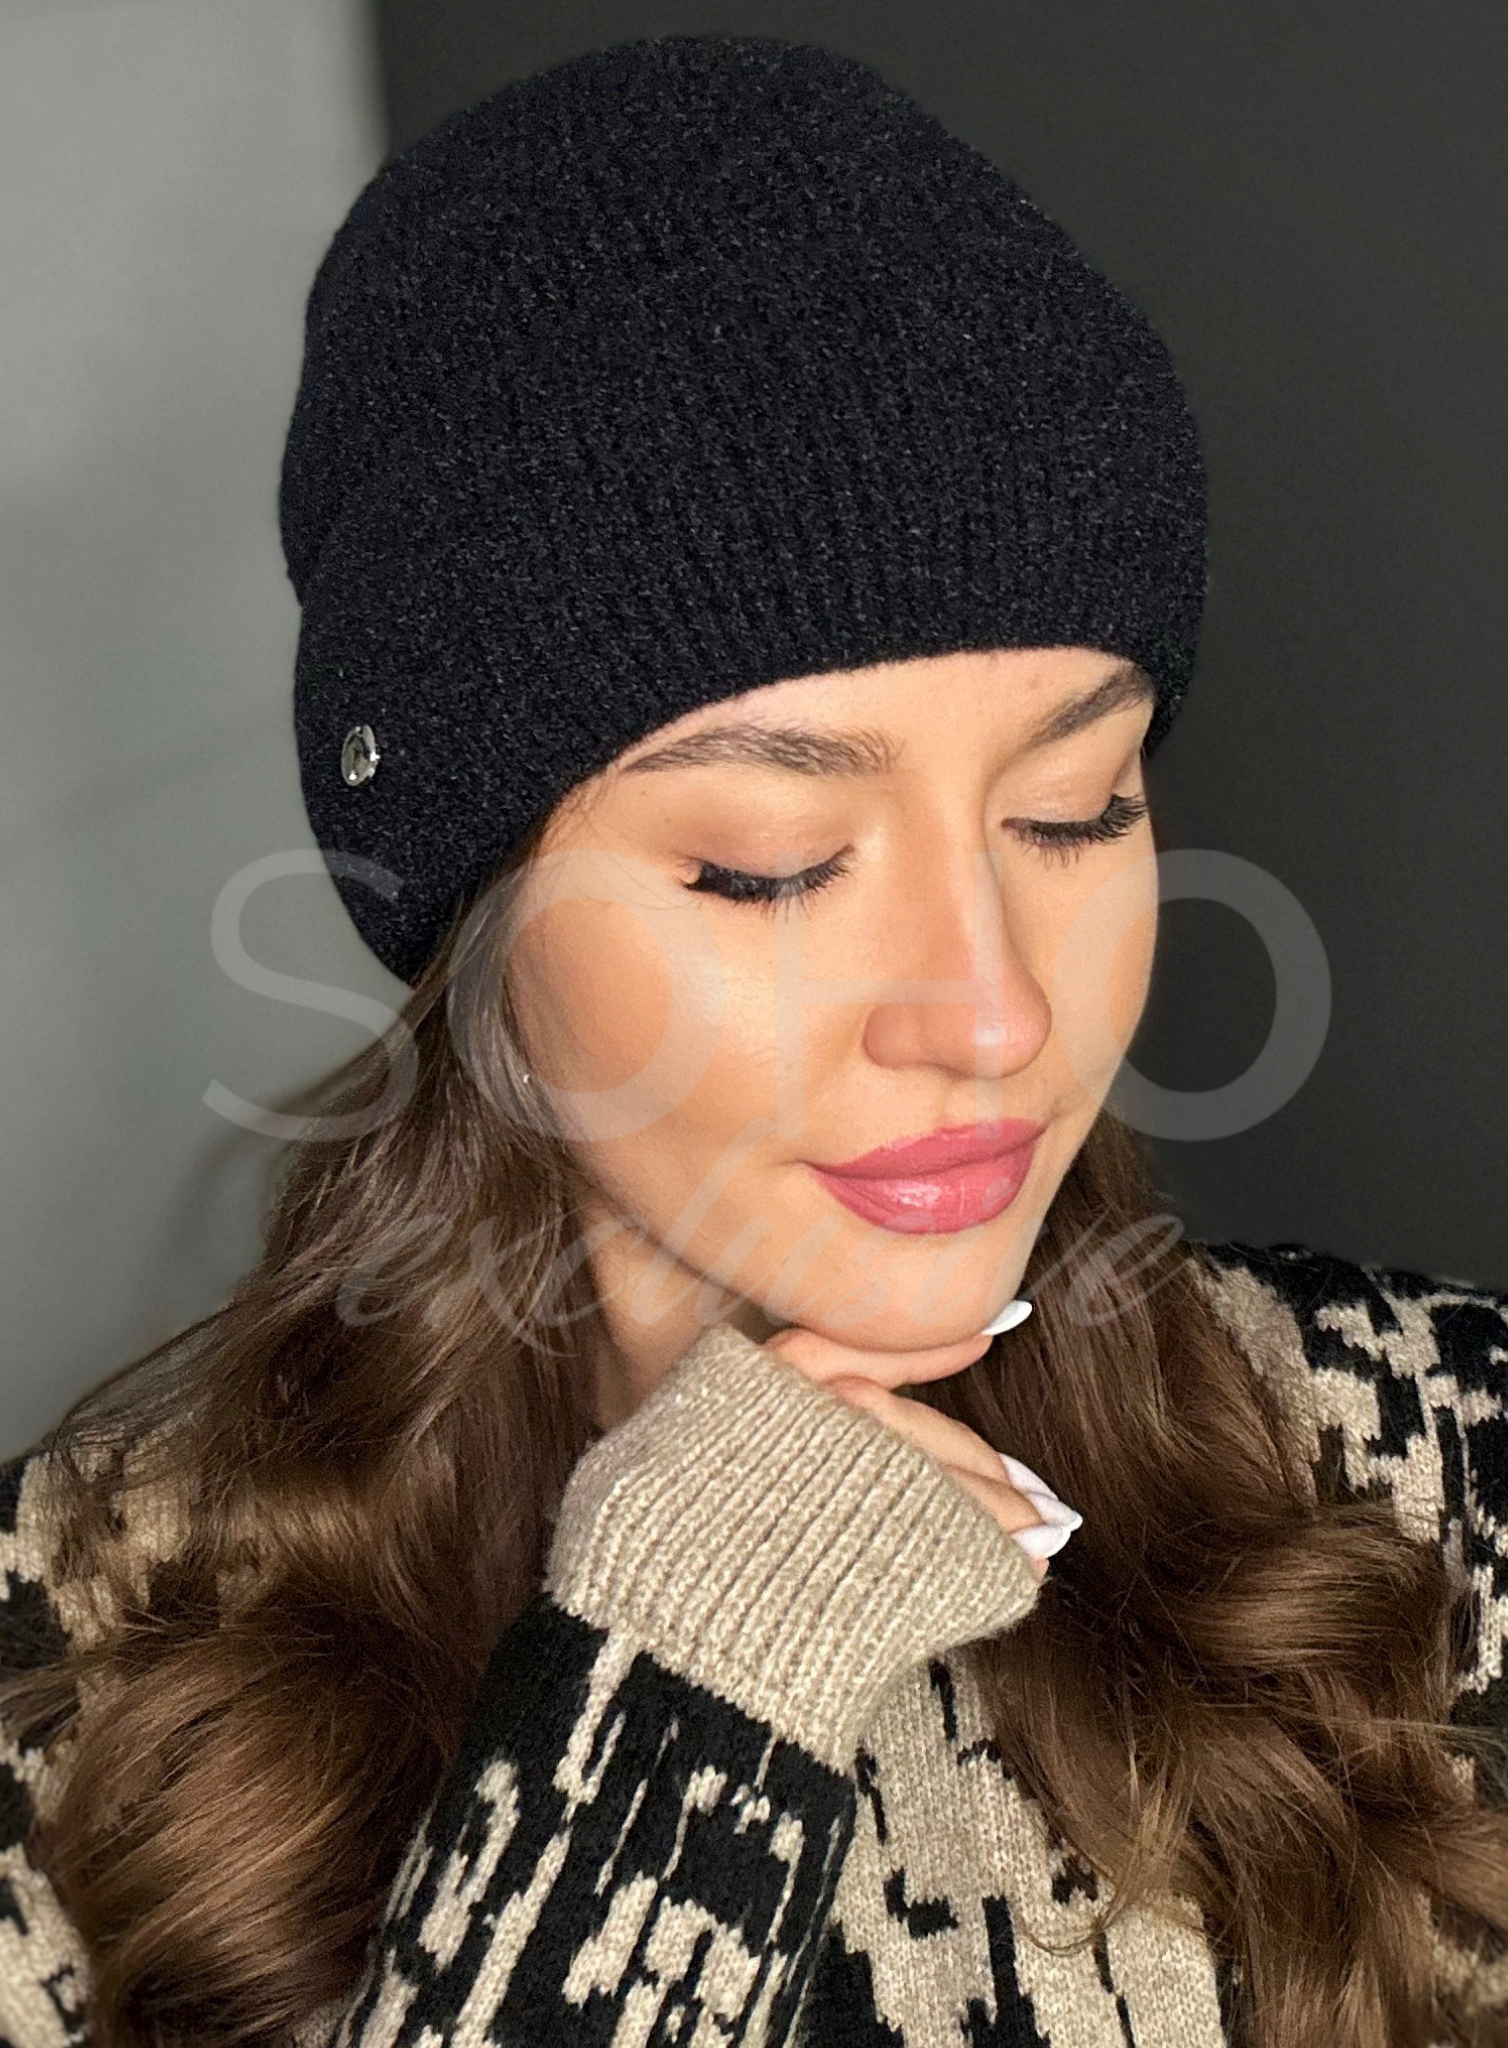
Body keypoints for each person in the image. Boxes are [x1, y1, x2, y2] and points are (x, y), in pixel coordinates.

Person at [0, 32, 1504, 2048]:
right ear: (473, 917)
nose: (992, 1011)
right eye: (771, 865)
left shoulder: (1433, 1474)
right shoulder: (72, 1669)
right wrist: (695, 1669)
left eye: (1078, 812)